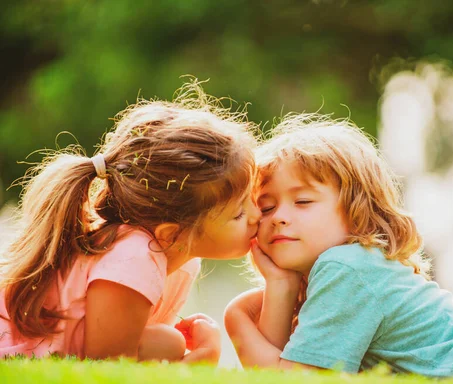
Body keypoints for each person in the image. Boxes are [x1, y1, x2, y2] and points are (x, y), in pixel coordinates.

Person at [224, 114, 453, 383]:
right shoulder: (340, 272)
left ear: (357, 210)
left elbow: (296, 379)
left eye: (303, 202)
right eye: (267, 206)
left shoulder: (347, 267)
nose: (279, 218)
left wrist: (237, 320)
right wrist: (280, 286)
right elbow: (287, 364)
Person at [0, 80, 261, 363]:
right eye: (238, 213)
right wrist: (197, 361)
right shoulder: (136, 256)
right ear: (173, 235)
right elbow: (107, 365)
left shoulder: (177, 257)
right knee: (169, 342)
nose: (257, 215)